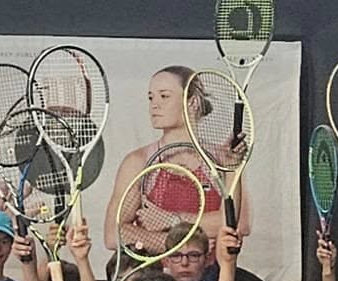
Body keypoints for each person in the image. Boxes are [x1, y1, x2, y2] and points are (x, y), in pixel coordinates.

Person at [104, 67, 247, 253]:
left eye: (164, 96)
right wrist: (180, 244)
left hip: (213, 271)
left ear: (192, 102)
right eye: (151, 98)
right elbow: (113, 235)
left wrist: (171, 220)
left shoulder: (222, 160)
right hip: (155, 272)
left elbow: (231, 224)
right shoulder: (138, 162)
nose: (154, 105)